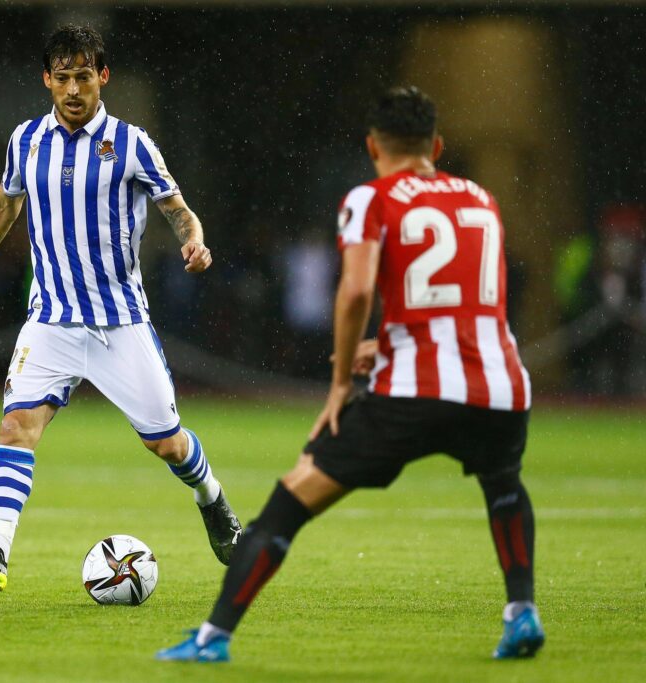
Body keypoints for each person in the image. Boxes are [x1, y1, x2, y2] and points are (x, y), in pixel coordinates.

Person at [157, 86, 543, 662]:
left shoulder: (371, 198)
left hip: (413, 393)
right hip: (500, 385)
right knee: (504, 486)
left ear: (372, 147)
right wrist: (386, 342)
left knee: (292, 498)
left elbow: (358, 287)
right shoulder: (480, 199)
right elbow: (464, 300)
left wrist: (341, 382)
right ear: (435, 145)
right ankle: (521, 612)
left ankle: (213, 638)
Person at [0, 24, 241, 594]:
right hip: (49, 320)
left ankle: (213, 499)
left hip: (119, 323)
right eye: (62, 78)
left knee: (167, 443)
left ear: (103, 77)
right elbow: (6, 201)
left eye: (84, 76)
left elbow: (177, 208)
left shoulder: (131, 143)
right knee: (15, 427)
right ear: (46, 81)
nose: (73, 89)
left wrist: (193, 239)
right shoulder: (26, 140)